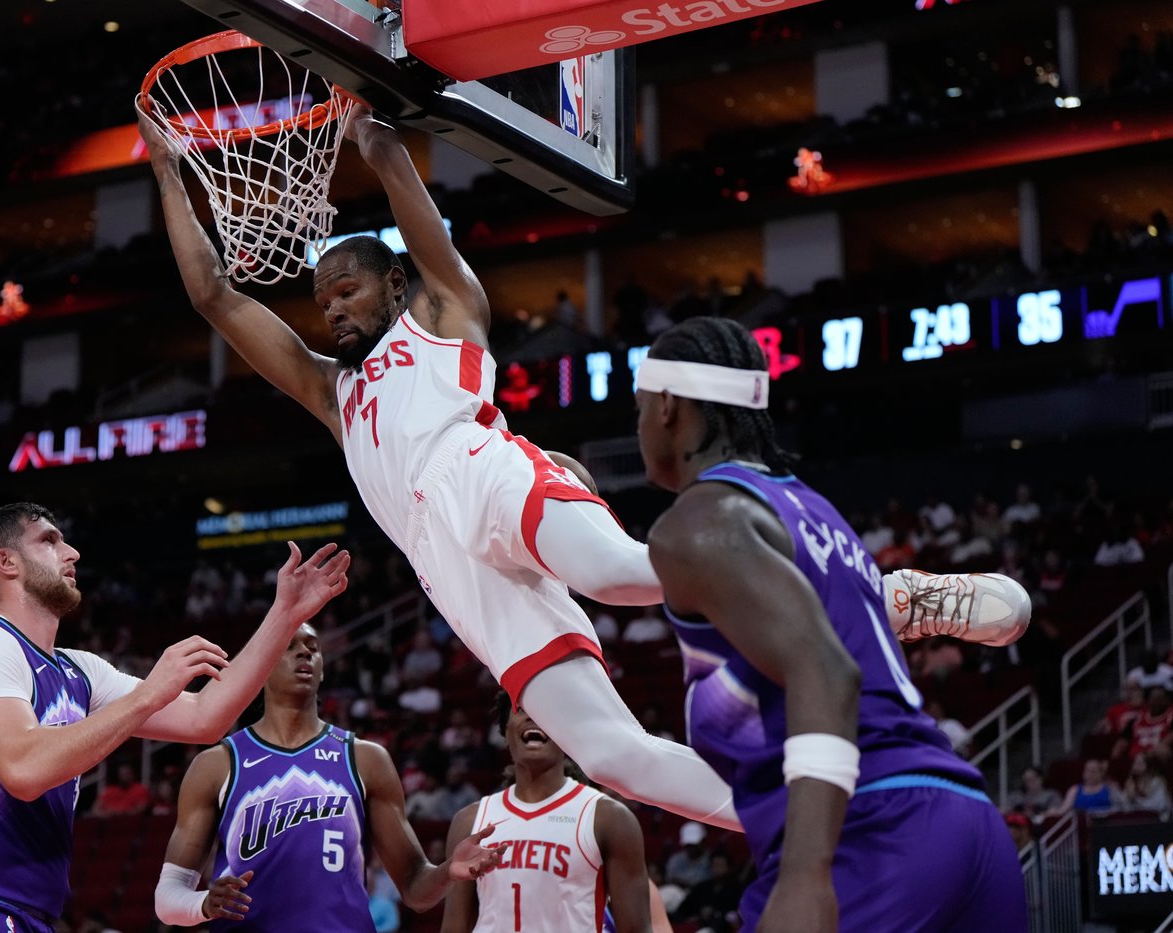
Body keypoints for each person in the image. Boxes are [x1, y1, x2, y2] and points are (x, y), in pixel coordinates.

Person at [138, 101, 1010, 828]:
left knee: (628, 574)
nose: (330, 309)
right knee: (614, 756)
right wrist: (171, 171)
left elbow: (422, 233)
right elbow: (214, 293)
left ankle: (897, 596)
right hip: (442, 565)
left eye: (347, 290)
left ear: (394, 285)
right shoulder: (332, 393)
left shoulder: (442, 313)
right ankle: (808, 811)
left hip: (481, 468)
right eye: (322, 298)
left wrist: (383, 150)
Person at [634, 316, 1026, 932]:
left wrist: (805, 875)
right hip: (968, 819)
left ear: (664, 406)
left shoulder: (696, 520)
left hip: (871, 831)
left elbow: (826, 669)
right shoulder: (816, 512)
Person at [0, 503, 350, 932]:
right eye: (49, 540)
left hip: (26, 912)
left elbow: (204, 718)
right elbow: (23, 769)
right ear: (6, 562)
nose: (71, 552)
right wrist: (149, 695)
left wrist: (285, 613)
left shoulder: (79, 670)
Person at [152, 622, 504, 930]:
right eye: (289, 647)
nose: (304, 653)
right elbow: (168, 899)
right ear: (259, 666)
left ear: (322, 669)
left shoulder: (365, 758)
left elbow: (415, 888)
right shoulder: (218, 764)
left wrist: (447, 871)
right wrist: (202, 905)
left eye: (312, 648)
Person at [440, 691, 652, 933]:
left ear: (567, 733)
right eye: (522, 708)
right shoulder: (469, 821)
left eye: (546, 709)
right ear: (505, 730)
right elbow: (454, 927)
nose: (534, 717)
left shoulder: (608, 818)